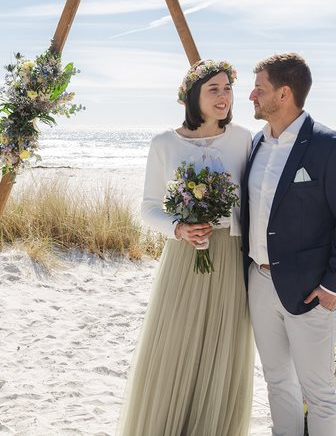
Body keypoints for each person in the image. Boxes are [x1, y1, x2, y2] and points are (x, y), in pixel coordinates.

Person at [118, 60, 254, 435]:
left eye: (228, 89)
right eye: (214, 89)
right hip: (183, 256)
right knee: (174, 345)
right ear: (192, 95)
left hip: (228, 254)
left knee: (222, 348)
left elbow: (253, 199)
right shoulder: (164, 143)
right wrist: (178, 229)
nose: (223, 97)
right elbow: (147, 208)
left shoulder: (244, 138)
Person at [241, 53, 336, 436]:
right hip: (260, 283)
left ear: (283, 94)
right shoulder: (255, 144)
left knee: (319, 392)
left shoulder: (331, 147)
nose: (251, 95)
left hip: (312, 290)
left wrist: (334, 285)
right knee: (278, 384)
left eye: (259, 89)